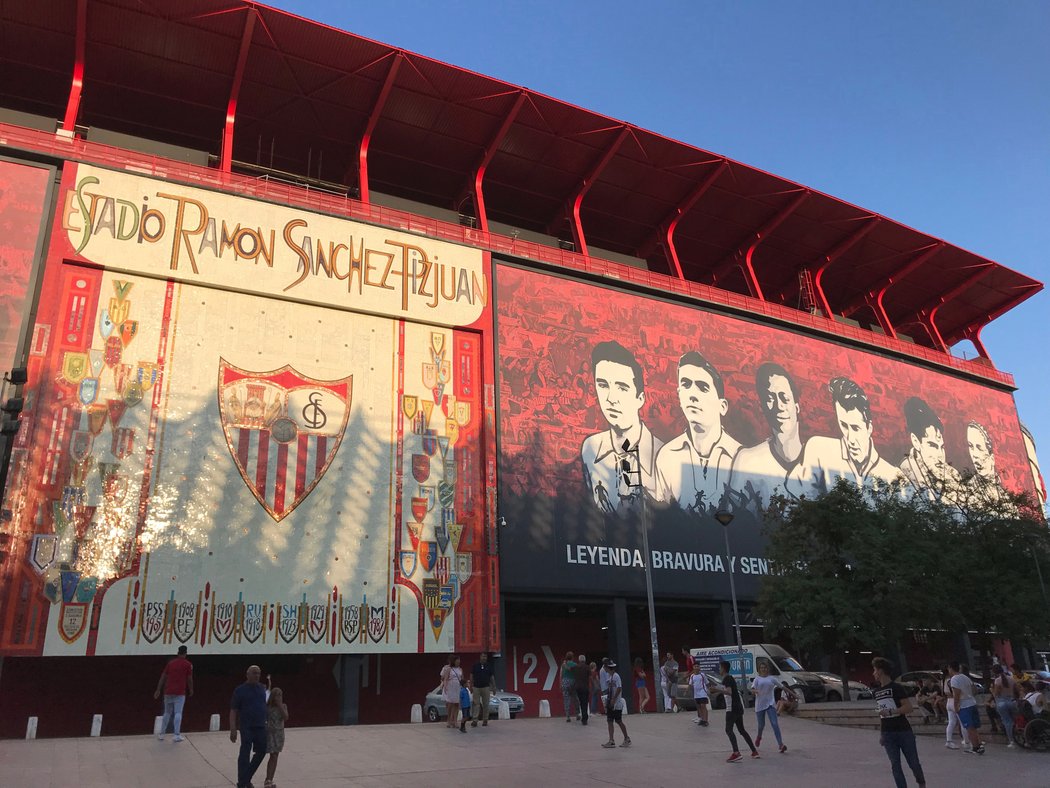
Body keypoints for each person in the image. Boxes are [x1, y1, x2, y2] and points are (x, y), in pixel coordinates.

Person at [580, 341, 663, 513]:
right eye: (603, 385)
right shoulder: (590, 449)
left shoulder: (663, 456)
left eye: (622, 388)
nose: (611, 398)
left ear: (640, 398)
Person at [654, 351, 740, 513]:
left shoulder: (741, 457)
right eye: (686, 385)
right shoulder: (667, 455)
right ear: (679, 395)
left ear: (723, 406)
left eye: (703, 387)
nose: (692, 394)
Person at [794, 376, 899, 497]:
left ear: (869, 427)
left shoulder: (893, 476)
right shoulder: (819, 451)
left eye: (855, 428)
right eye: (844, 425)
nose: (850, 439)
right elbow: (797, 501)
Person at [728, 362, 806, 512]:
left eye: (784, 398)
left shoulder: (819, 462)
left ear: (797, 406)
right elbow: (731, 518)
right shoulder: (747, 460)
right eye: (770, 398)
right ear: (763, 406)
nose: (779, 406)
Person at [872, 657, 926, 788]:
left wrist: (891, 711)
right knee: (895, 765)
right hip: (888, 733)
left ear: (880, 671)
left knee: (913, 762)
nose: (873, 673)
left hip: (903, 731)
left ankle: (921, 783)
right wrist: (881, 734)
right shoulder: (876, 692)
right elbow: (882, 715)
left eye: (874, 670)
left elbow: (908, 708)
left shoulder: (896, 688)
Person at [899, 397, 959, 501]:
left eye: (942, 447)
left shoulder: (953, 477)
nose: (940, 455)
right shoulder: (902, 475)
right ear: (916, 441)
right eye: (933, 446)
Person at [710, 660, 758, 762]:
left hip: (732, 708)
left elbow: (729, 692)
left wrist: (716, 690)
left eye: (720, 668)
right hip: (738, 707)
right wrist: (717, 688)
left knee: (728, 730)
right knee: (742, 730)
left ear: (723, 668)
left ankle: (736, 753)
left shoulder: (727, 678)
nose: (719, 669)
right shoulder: (729, 678)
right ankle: (754, 751)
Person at [230, 664, 269, 788]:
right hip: (246, 726)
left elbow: (265, 706)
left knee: (262, 751)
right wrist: (233, 728)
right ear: (247, 674)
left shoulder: (262, 688)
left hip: (260, 726)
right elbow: (234, 710)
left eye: (258, 673)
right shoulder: (240, 690)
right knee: (245, 752)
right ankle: (242, 782)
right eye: (254, 673)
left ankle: (246, 778)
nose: (257, 675)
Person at [752, 659, 793, 753]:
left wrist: (794, 695)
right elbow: (752, 689)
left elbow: (783, 687)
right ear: (759, 669)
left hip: (770, 704)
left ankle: (780, 744)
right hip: (760, 705)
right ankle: (759, 736)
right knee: (761, 725)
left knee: (775, 724)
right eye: (761, 668)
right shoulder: (757, 679)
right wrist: (756, 691)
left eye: (765, 667)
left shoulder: (772, 679)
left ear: (767, 669)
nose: (763, 669)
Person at [154, 644, 193, 742]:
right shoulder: (187, 664)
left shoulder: (170, 663)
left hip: (168, 691)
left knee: (167, 713)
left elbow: (163, 677)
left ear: (178, 653)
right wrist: (191, 689)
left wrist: (158, 689)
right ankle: (176, 734)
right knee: (178, 713)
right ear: (185, 653)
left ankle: (162, 734)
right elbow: (189, 679)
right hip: (180, 692)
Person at [948, 661, 985, 754]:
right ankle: (979, 744)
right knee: (974, 727)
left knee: (969, 727)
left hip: (964, 705)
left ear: (951, 668)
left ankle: (975, 747)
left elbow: (956, 693)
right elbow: (974, 689)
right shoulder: (965, 677)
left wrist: (956, 705)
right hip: (972, 702)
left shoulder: (954, 679)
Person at [600, 660, 630, 749]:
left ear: (608, 668)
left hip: (616, 703)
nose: (604, 668)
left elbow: (619, 688)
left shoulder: (616, 676)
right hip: (610, 702)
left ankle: (627, 738)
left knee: (618, 721)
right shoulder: (609, 677)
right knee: (609, 720)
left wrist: (613, 699)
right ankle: (611, 740)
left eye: (605, 667)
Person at [263, 687, 288, 788]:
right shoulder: (267, 707)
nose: (279, 697)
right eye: (277, 695)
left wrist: (280, 705)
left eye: (280, 695)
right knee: (272, 755)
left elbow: (285, 717)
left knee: (275, 756)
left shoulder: (284, 706)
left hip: (279, 734)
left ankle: (270, 779)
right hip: (270, 733)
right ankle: (268, 779)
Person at [991, 664, 1018, 748]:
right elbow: (1016, 691)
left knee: (1007, 722)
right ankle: (1019, 737)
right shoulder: (1011, 679)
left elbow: (996, 694)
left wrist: (991, 690)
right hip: (1011, 700)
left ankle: (1011, 741)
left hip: (1001, 702)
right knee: (1015, 720)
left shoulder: (997, 681)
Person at [942, 666, 966, 750]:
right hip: (955, 701)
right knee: (962, 722)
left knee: (951, 722)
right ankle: (966, 740)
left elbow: (946, 692)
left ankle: (949, 741)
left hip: (949, 701)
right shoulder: (953, 680)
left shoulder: (945, 680)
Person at [440, 655, 464, 730]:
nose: (458, 661)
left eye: (459, 660)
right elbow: (446, 679)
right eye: (457, 660)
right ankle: (449, 720)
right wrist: (446, 687)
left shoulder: (460, 669)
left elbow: (462, 679)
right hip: (451, 687)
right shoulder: (449, 669)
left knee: (456, 704)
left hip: (457, 687)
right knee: (450, 704)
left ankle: (455, 721)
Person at [470, 652, 494, 727]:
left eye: (485, 657)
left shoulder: (489, 666)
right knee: (476, 704)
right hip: (476, 687)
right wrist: (471, 685)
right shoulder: (475, 665)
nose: (484, 658)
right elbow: (471, 675)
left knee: (486, 704)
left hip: (486, 687)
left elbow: (491, 677)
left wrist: (494, 687)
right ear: (480, 657)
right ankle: (475, 720)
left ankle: (485, 720)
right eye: (483, 656)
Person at [686, 662, 710, 727]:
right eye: (695, 666)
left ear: (699, 667)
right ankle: (702, 720)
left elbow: (707, 683)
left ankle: (706, 720)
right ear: (693, 668)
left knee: (703, 706)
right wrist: (687, 690)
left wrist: (709, 690)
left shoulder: (702, 675)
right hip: (696, 694)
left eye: (697, 666)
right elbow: (690, 684)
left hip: (703, 692)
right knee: (699, 707)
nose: (696, 668)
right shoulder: (692, 676)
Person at [560, 651, 579, 721]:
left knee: (566, 699)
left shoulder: (563, 665)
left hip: (565, 682)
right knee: (575, 698)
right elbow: (577, 674)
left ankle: (568, 716)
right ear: (572, 657)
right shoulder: (575, 664)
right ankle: (577, 714)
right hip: (573, 682)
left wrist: (560, 684)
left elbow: (561, 674)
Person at [572, 653, 591, 725]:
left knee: (581, 702)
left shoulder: (575, 667)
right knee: (585, 702)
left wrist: (565, 663)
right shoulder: (587, 667)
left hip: (578, 688)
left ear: (579, 660)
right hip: (585, 688)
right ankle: (585, 718)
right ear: (585, 660)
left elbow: (569, 669)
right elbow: (590, 676)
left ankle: (583, 716)